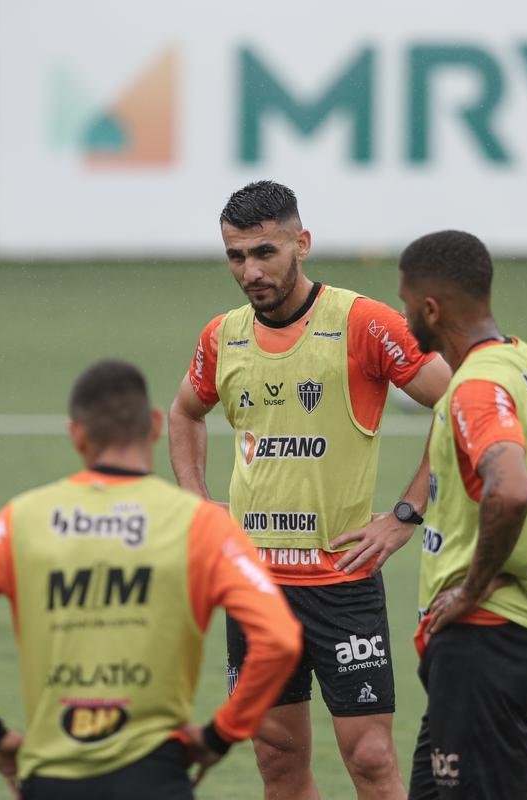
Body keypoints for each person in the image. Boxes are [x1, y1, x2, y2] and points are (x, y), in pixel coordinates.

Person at [169, 180, 452, 800]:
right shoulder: (222, 336)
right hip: (256, 586)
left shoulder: (362, 323)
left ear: (302, 244)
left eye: (264, 252)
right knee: (277, 759)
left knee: (371, 757)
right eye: (236, 256)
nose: (250, 271)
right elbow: (185, 412)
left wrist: (406, 513)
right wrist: (196, 499)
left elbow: (459, 402)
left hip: (342, 582)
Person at [0, 360, 303, 800]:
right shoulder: (201, 525)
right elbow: (279, 639)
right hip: (156, 776)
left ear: (76, 435)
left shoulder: (25, 519)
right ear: (155, 426)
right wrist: (221, 735)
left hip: (53, 776)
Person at [396, 230, 527, 800]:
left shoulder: (476, 387)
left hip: (485, 643)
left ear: (430, 309)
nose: (404, 317)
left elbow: (511, 488)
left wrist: (473, 587)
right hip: (513, 639)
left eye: (406, 304)